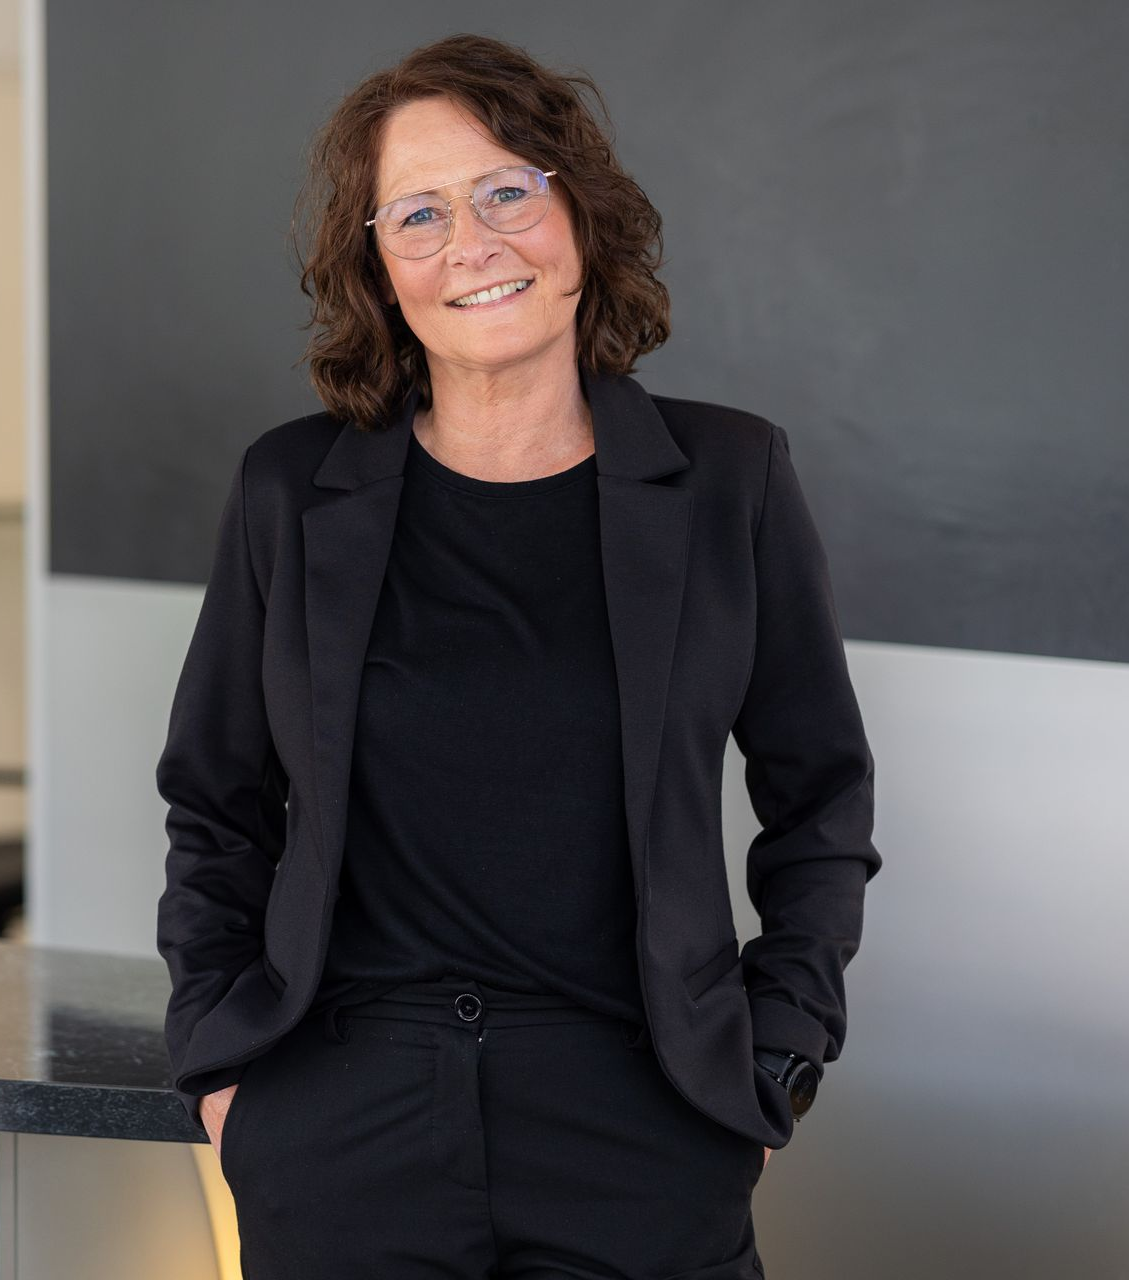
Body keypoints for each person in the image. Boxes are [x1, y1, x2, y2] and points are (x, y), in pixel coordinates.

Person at [155, 32, 881, 1280]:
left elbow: (818, 796)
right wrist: (222, 1064)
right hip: (343, 1128)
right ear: (380, 268)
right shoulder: (289, 489)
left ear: (578, 216)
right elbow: (216, 802)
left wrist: (774, 1055)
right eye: (418, 214)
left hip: (640, 1126)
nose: (470, 243)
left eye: (506, 190)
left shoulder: (727, 480)